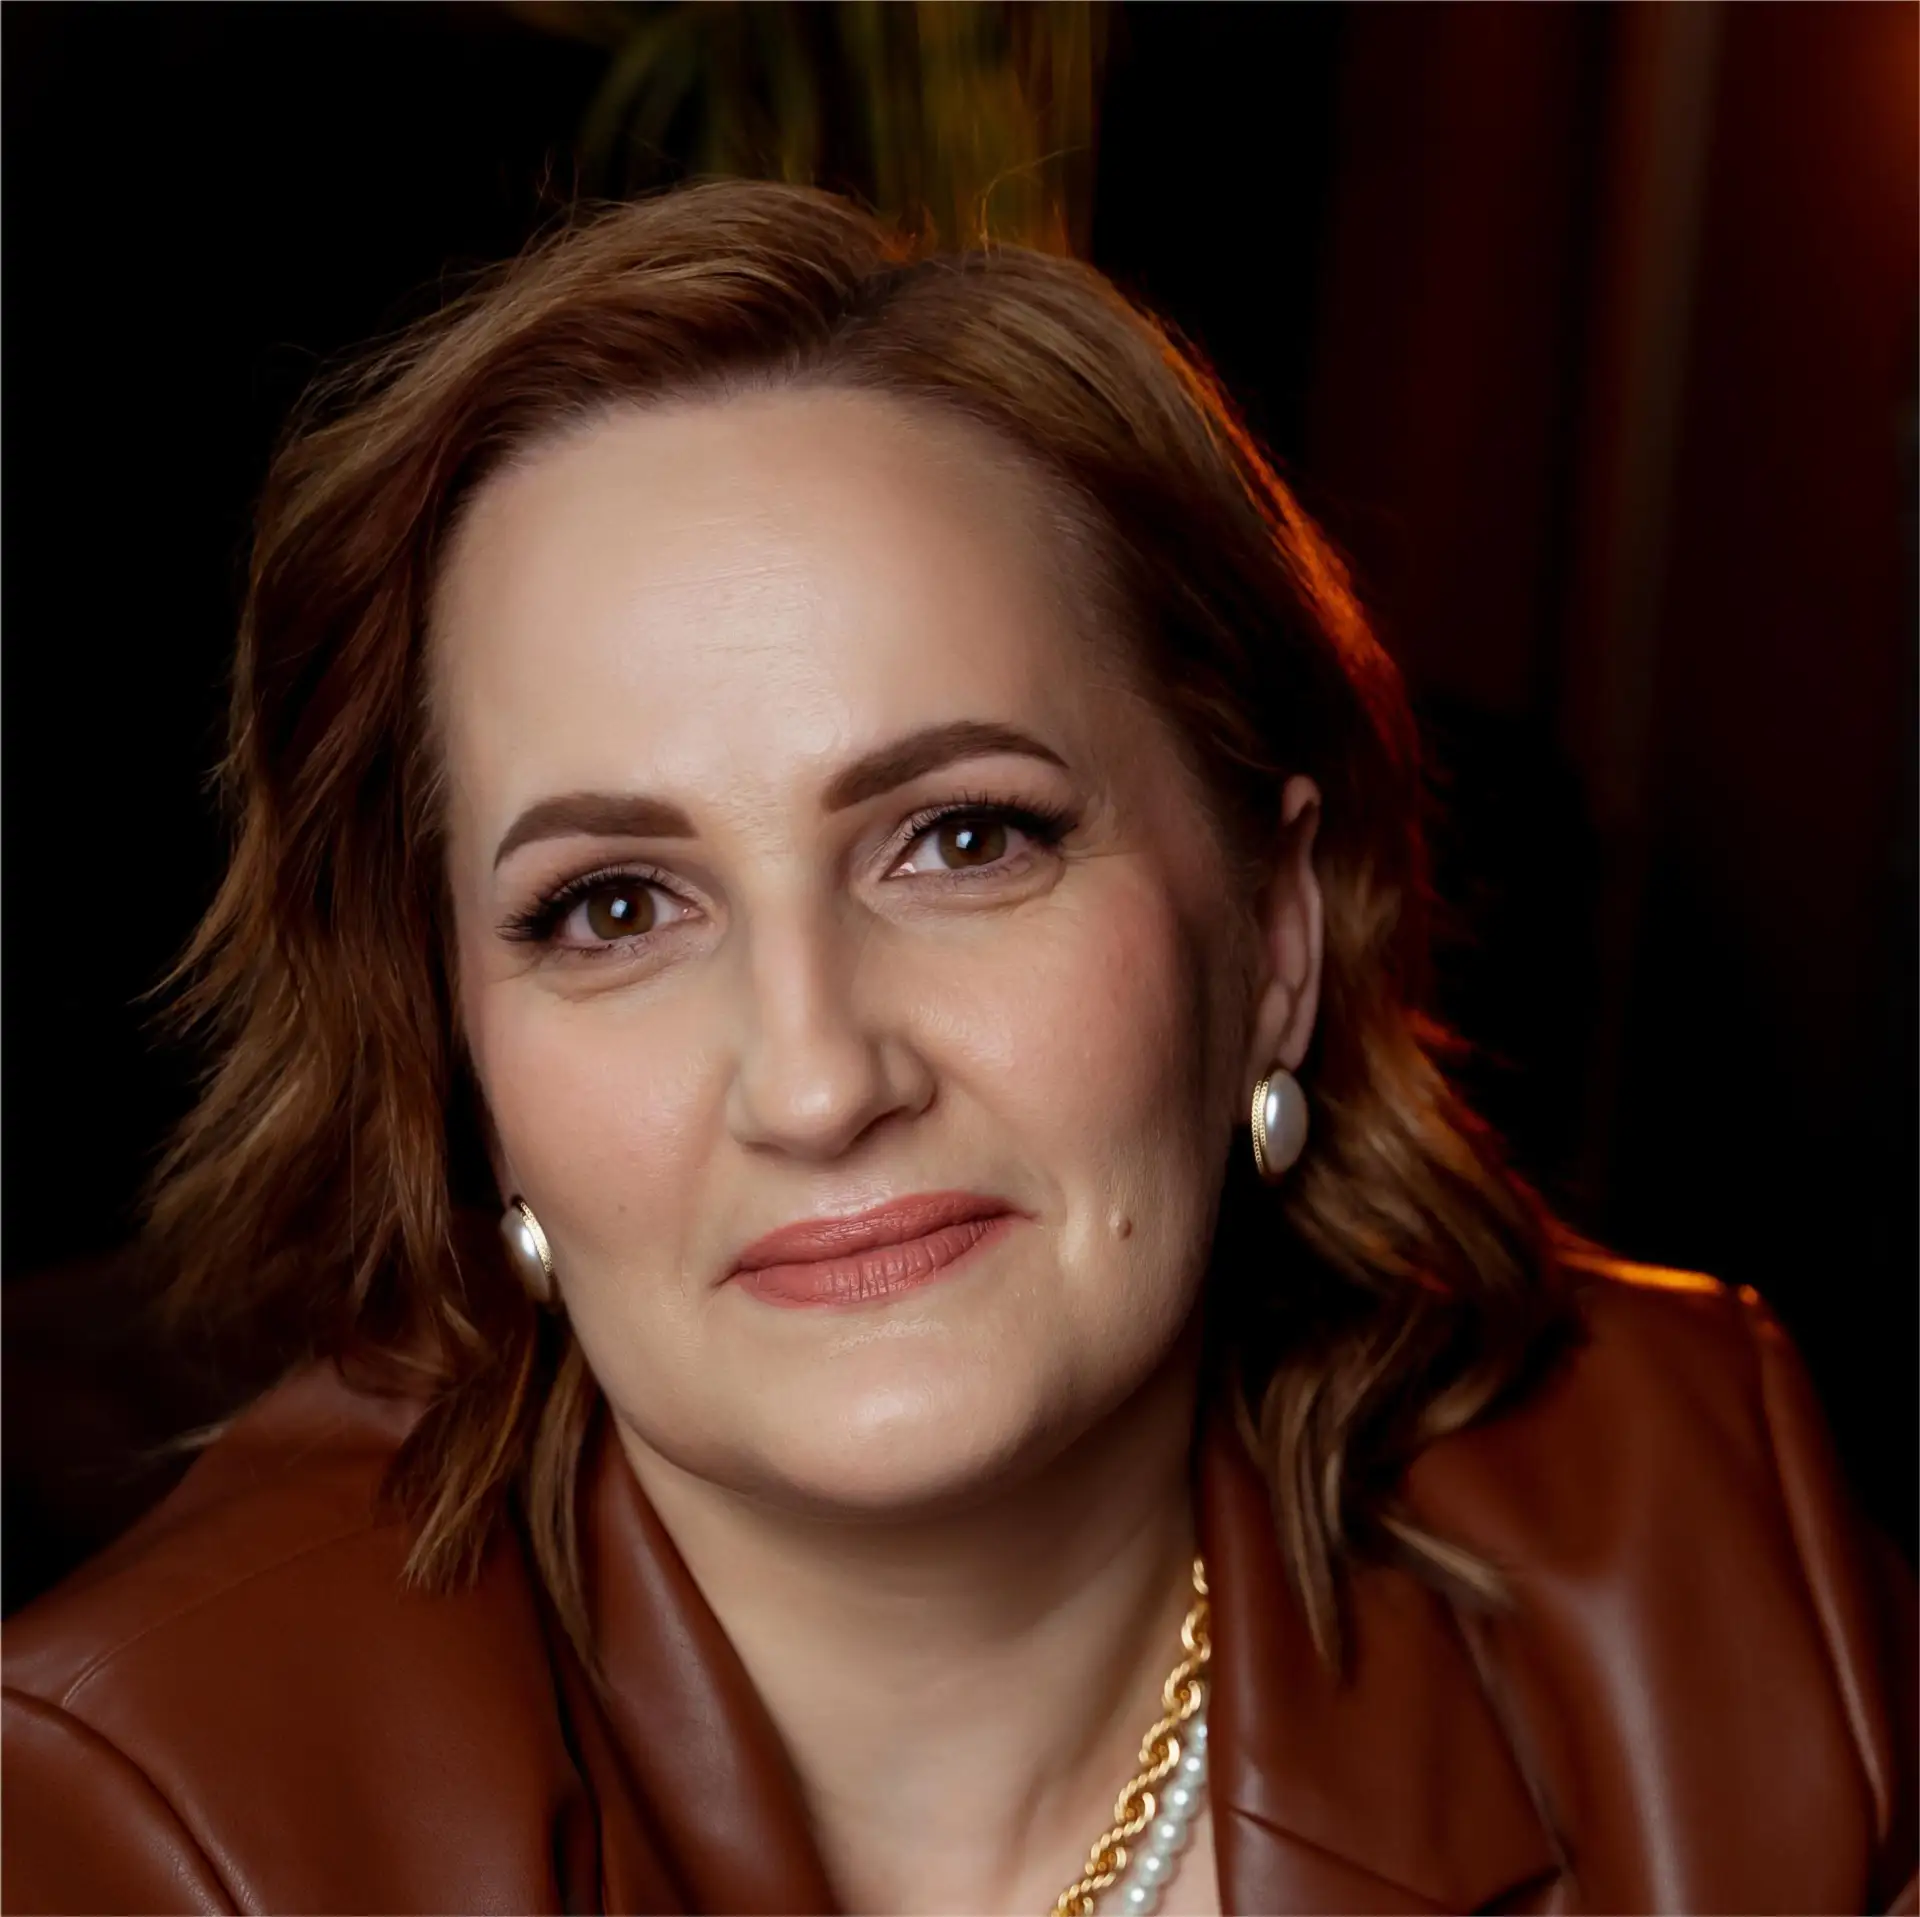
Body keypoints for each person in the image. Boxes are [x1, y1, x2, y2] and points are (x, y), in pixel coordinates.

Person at [3, 180, 1911, 1916]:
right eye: (613, 907)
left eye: (966, 839)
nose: (821, 1083)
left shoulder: (1701, 1543)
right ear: (462, 1068)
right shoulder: (142, 1824)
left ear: (1272, 936)